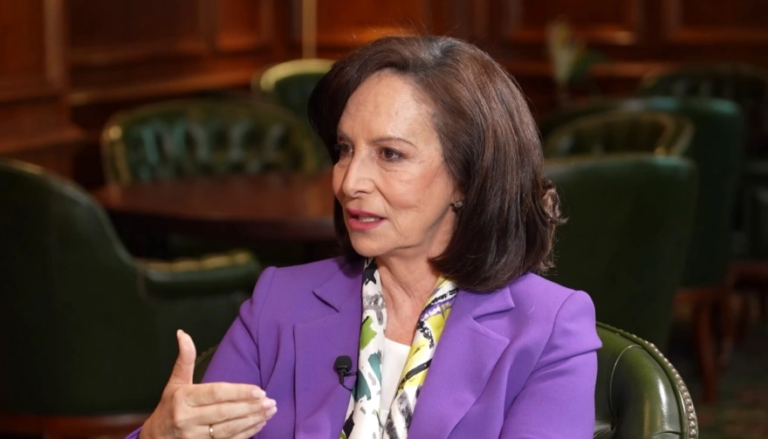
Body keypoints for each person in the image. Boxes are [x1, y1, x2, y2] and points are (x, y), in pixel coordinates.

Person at [129, 35, 601, 439]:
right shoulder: (279, 303)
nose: (349, 181)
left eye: (390, 154)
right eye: (344, 149)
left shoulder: (549, 329)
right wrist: (156, 434)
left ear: (467, 177)